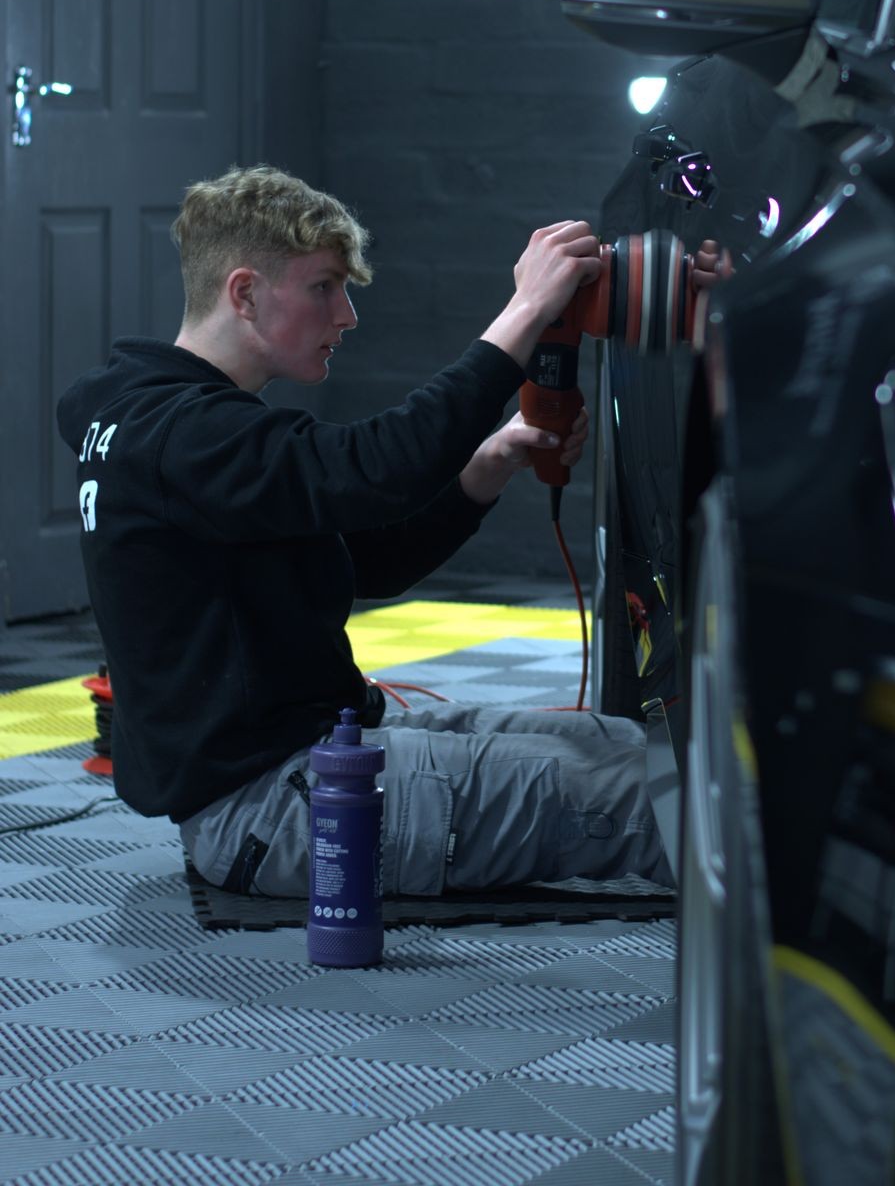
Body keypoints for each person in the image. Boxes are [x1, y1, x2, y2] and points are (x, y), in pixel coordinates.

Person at [56, 164, 673, 897]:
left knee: (631, 749)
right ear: (245, 293)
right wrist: (526, 311)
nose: (346, 316)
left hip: (317, 752)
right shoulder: (185, 434)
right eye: (324, 287)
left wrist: (484, 468)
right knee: (665, 806)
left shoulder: (172, 424)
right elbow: (379, 467)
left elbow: (363, 562)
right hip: (278, 806)